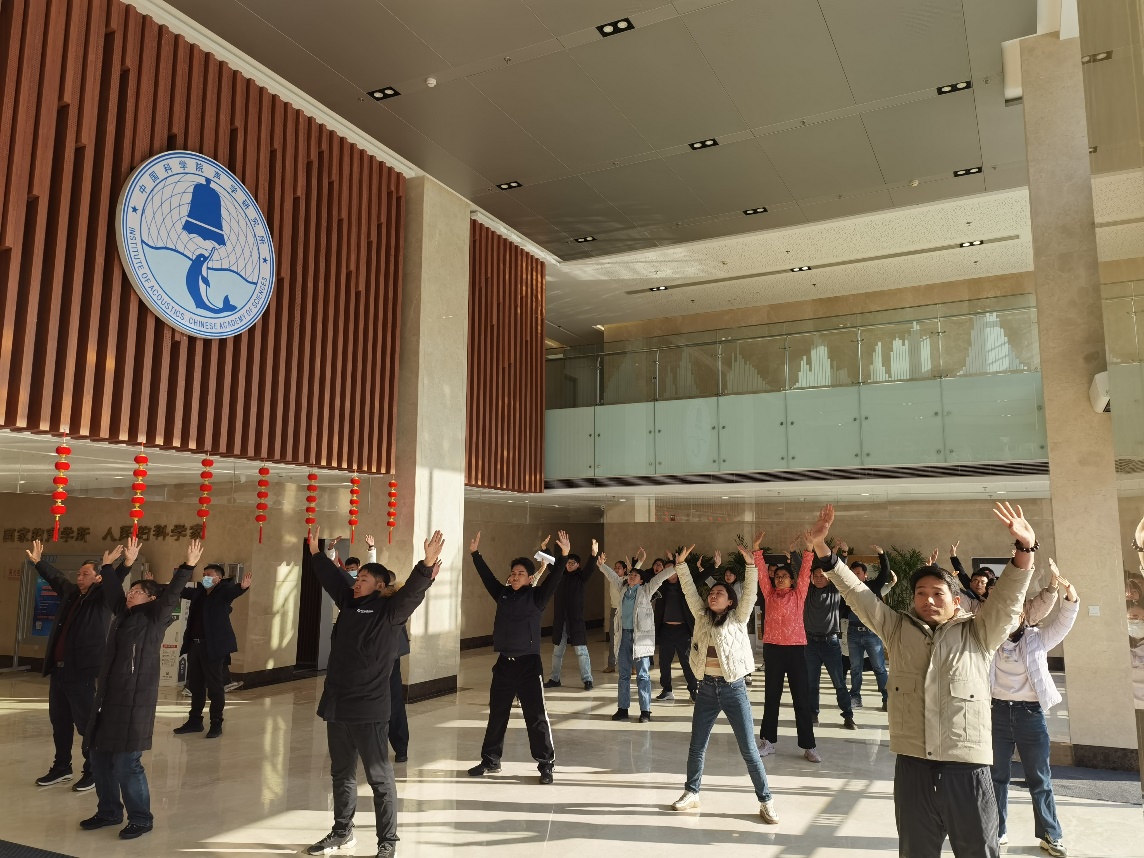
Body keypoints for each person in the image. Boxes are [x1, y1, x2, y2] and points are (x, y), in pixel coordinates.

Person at [816, 501, 1036, 858]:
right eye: (921, 593)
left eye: (937, 594)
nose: (928, 600)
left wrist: (1025, 550)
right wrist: (823, 550)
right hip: (913, 766)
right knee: (916, 851)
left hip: (967, 767)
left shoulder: (979, 633)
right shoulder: (896, 629)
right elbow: (858, 595)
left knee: (978, 850)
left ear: (956, 600)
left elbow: (1008, 602)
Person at [304, 526, 442, 858]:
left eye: (364, 579)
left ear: (379, 586)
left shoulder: (389, 612)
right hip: (337, 706)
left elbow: (411, 594)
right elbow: (333, 579)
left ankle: (387, 842)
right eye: (357, 578)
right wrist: (316, 554)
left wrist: (426, 565)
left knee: (379, 778)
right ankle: (342, 832)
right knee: (341, 774)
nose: (357, 582)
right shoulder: (348, 602)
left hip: (368, 709)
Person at [78, 539, 203, 840]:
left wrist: (187, 566)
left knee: (126, 763)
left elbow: (171, 594)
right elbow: (112, 592)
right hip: (108, 699)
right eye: (131, 590)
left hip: (135, 702)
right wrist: (111, 567)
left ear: (151, 599)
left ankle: (141, 818)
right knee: (99, 758)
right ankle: (109, 811)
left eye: (137, 591)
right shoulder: (123, 614)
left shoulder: (155, 618)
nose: (131, 593)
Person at [668, 544, 778, 823]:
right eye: (712, 592)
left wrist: (751, 566)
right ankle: (692, 792)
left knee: (749, 750)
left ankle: (766, 800)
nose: (713, 595)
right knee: (697, 745)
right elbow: (689, 591)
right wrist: (681, 566)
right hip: (706, 689)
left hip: (733, 690)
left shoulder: (738, 618)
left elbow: (750, 593)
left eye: (720, 593)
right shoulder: (701, 617)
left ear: (730, 602)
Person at [27, 538, 140, 792]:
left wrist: (125, 564)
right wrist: (38, 562)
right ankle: (62, 767)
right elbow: (56, 578)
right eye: (78, 574)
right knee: (60, 722)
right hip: (59, 671)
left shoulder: (100, 597)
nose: (79, 578)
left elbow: (114, 580)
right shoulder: (71, 594)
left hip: (82, 672)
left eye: (85, 574)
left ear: (98, 578)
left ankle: (93, 770)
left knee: (86, 725)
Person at [990, 559, 1076, 857]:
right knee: (996, 776)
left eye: (1015, 613)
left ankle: (1051, 835)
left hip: (1030, 715)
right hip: (996, 713)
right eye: (1005, 612)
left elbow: (1063, 623)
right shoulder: (988, 640)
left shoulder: (1038, 639)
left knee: (1039, 778)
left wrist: (1069, 595)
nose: (1010, 617)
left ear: (1023, 616)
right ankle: (997, 830)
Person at [467, 529, 566, 784]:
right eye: (513, 573)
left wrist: (564, 556)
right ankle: (491, 760)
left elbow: (555, 578)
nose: (514, 576)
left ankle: (546, 764)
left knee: (535, 717)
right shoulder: (502, 594)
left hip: (528, 666)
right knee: (497, 714)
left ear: (530, 578)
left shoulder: (537, 597)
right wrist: (475, 554)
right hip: (504, 664)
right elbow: (487, 577)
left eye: (520, 573)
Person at [749, 532, 819, 761]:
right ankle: (768, 742)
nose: (780, 579)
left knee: (801, 699)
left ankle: (809, 746)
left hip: (796, 650)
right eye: (777, 576)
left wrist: (809, 549)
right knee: (772, 697)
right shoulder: (769, 594)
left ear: (791, 580)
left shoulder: (799, 594)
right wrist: (757, 550)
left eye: (784, 576)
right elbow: (761, 573)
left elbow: (805, 572)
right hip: (773, 650)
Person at [173, 563, 252, 739]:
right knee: (195, 685)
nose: (205, 577)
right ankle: (195, 721)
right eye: (204, 574)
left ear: (219, 578)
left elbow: (233, 592)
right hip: (195, 646)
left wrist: (242, 587)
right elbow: (180, 591)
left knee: (215, 686)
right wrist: (156, 585)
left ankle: (216, 722)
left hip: (213, 647)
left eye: (209, 574)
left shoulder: (223, 591)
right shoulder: (199, 593)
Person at [600, 543, 674, 722]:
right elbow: (612, 576)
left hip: (640, 638)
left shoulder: (646, 591)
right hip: (623, 636)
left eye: (635, 575)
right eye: (630, 574)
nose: (631, 576)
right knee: (624, 674)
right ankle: (622, 708)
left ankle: (645, 711)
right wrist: (601, 564)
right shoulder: (623, 589)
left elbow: (660, 578)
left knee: (643, 675)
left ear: (641, 581)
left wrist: (675, 565)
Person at [803, 546, 863, 731]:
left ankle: (848, 716)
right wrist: (802, 552)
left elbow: (839, 572)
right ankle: (812, 714)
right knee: (811, 683)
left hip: (830, 643)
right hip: (810, 644)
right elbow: (803, 571)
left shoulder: (834, 590)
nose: (819, 578)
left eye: (822, 575)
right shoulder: (807, 592)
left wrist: (843, 556)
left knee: (839, 683)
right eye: (815, 576)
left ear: (828, 578)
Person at [839, 547, 892, 711]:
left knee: (879, 668)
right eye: (852, 573)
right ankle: (855, 697)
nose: (855, 576)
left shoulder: (873, 586)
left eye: (858, 573)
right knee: (855, 668)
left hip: (871, 633)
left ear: (865, 575)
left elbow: (885, 572)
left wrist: (882, 554)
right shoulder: (847, 589)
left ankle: (887, 699)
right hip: (853, 633)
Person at [372, 563, 411, 764]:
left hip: (389, 658)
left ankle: (400, 747)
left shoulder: (395, 603)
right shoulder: (367, 601)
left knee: (393, 701)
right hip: (372, 658)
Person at [545, 543, 597, 690]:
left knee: (581, 652)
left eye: (572, 563)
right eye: (567, 562)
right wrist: (544, 549)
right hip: (560, 621)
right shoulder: (559, 576)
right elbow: (551, 565)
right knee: (557, 653)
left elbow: (590, 568)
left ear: (578, 565)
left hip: (575, 622)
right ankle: (555, 679)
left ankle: (587, 680)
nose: (569, 565)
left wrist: (593, 554)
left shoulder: (581, 577)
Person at [655, 550, 698, 704]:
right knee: (664, 662)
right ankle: (667, 690)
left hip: (683, 630)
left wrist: (677, 561)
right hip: (666, 630)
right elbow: (645, 575)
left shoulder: (685, 586)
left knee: (686, 662)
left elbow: (700, 577)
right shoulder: (661, 586)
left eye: (671, 570)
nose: (668, 573)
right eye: (665, 570)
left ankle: (693, 690)